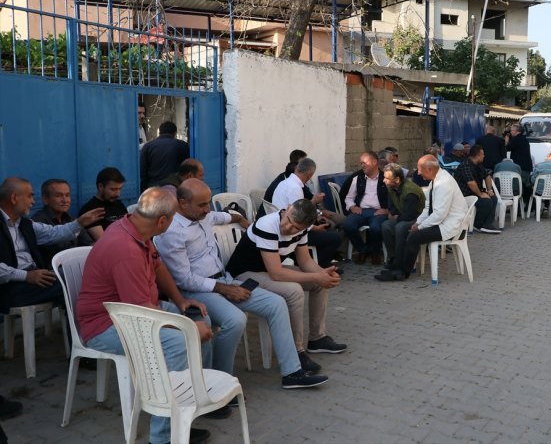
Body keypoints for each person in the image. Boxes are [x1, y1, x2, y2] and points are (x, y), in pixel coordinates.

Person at [76, 187, 217, 444]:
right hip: (106, 326)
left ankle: (186, 409)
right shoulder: (124, 249)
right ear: (162, 221)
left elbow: (158, 266)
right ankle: (162, 436)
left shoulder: (137, 229)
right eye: (173, 218)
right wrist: (187, 329)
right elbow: (141, 315)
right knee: (180, 342)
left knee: (200, 317)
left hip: (137, 311)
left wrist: (181, 300)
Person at [155, 179, 329, 385]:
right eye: (202, 204)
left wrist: (243, 220)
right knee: (235, 320)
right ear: (182, 203)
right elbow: (184, 279)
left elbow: (225, 215)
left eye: (208, 203)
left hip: (224, 279)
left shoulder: (203, 215)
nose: (207, 209)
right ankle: (219, 381)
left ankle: (292, 372)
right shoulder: (173, 232)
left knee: (276, 304)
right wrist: (224, 289)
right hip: (198, 291)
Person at [226, 199, 347, 360]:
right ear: (288, 209)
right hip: (243, 274)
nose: (288, 227)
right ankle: (295, 351)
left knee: (320, 283)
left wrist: (323, 274)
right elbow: (276, 273)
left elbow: (305, 261)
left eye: (296, 227)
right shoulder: (267, 225)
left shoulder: (301, 229)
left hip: (267, 270)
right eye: (288, 220)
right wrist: (317, 276)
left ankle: (317, 338)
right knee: (294, 291)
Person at [0, 177, 104, 315]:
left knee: (78, 281)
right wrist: (26, 276)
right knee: (71, 281)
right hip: (10, 289)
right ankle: (86, 333)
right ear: (14, 198)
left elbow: (53, 233)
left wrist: (79, 222)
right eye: (30, 196)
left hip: (34, 280)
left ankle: (79, 333)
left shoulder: (24, 224)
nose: (33, 202)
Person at [375, 155, 468, 282]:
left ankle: (403, 272)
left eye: (420, 169)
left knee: (414, 236)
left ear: (429, 170)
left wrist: (420, 226)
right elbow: (428, 207)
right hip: (440, 221)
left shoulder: (444, 184)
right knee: (404, 229)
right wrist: (418, 222)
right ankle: (396, 266)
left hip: (450, 226)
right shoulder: (435, 180)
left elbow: (439, 214)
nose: (418, 173)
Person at [271, 158, 342, 268]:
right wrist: (315, 227)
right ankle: (319, 265)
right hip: (291, 231)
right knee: (335, 237)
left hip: (284, 226)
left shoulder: (284, 183)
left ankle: (314, 260)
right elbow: (299, 218)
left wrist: (317, 217)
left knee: (327, 227)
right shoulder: (295, 188)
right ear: (309, 175)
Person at [30, 179, 95, 266]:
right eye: (58, 196)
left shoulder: (71, 218)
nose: (65, 200)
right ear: (45, 199)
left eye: (67, 195)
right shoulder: (38, 222)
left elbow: (89, 244)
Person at [343, 152, 388, 265]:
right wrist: (352, 207)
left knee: (375, 228)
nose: (362, 165)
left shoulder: (386, 178)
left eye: (364, 163)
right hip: (361, 211)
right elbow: (348, 198)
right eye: (361, 163)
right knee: (348, 225)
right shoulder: (357, 178)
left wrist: (387, 210)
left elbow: (394, 198)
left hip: (379, 211)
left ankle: (376, 252)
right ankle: (363, 250)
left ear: (374, 162)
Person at [379, 163, 425, 272]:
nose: (384, 181)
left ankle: (401, 262)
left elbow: (411, 214)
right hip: (402, 216)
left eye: (387, 178)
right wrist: (394, 214)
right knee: (385, 226)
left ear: (397, 179)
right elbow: (391, 205)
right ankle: (393, 258)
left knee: (400, 227)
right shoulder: (391, 186)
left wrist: (396, 218)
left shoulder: (410, 191)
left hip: (418, 219)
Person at [453, 145, 501, 234]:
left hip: (474, 193)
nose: (484, 156)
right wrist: (480, 194)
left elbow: (487, 177)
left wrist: (489, 190)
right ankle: (477, 224)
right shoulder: (465, 165)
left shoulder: (479, 165)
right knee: (486, 201)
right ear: (477, 155)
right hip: (465, 195)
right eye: (482, 154)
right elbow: (471, 183)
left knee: (493, 198)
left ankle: (487, 224)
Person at [78, 167, 128, 241]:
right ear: (100, 186)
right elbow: (103, 241)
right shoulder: (90, 209)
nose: (118, 194)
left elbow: (130, 228)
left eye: (120, 189)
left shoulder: (118, 204)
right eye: (113, 189)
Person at [140, 121, 190, 191]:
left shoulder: (148, 146)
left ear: (159, 132)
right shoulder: (183, 145)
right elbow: (187, 167)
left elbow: (143, 170)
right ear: (175, 133)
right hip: (174, 186)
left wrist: (143, 187)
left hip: (153, 187)